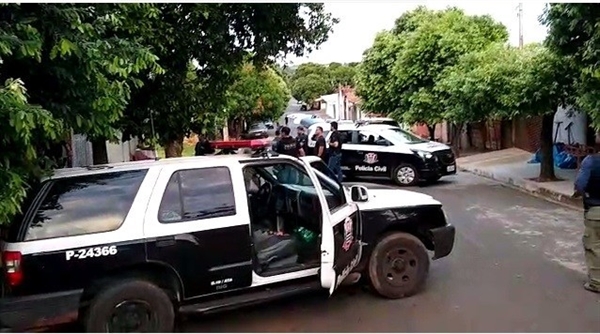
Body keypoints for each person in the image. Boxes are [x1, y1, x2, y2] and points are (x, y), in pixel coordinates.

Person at [574, 153, 600, 293]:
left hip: (596, 211)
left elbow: (580, 185)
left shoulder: (591, 161)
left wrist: (583, 194)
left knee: (594, 246)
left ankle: (596, 283)